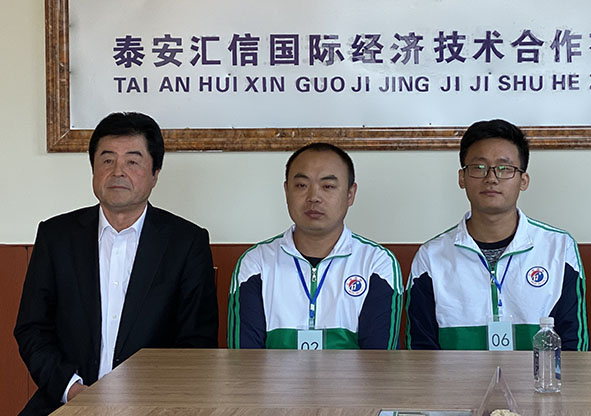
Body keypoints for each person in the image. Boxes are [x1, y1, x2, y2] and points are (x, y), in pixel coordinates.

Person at [14, 112, 218, 416]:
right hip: (65, 401)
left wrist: (145, 401)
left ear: (155, 174)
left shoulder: (186, 243)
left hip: (153, 407)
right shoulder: (56, 236)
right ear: (93, 169)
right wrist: (72, 390)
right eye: (107, 160)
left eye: (133, 161)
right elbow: (32, 328)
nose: (118, 171)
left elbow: (197, 343)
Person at [406, 119, 588, 350]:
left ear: (523, 181)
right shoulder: (432, 256)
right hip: (455, 376)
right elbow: (421, 350)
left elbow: (573, 345)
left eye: (504, 168)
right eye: (479, 167)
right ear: (462, 178)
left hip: (539, 375)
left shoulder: (558, 248)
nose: (491, 178)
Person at [227, 142, 402, 349]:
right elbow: (244, 360)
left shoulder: (376, 263)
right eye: (301, 185)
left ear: (350, 194)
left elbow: (379, 361)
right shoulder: (256, 262)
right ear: (286, 191)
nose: (313, 197)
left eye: (328, 186)